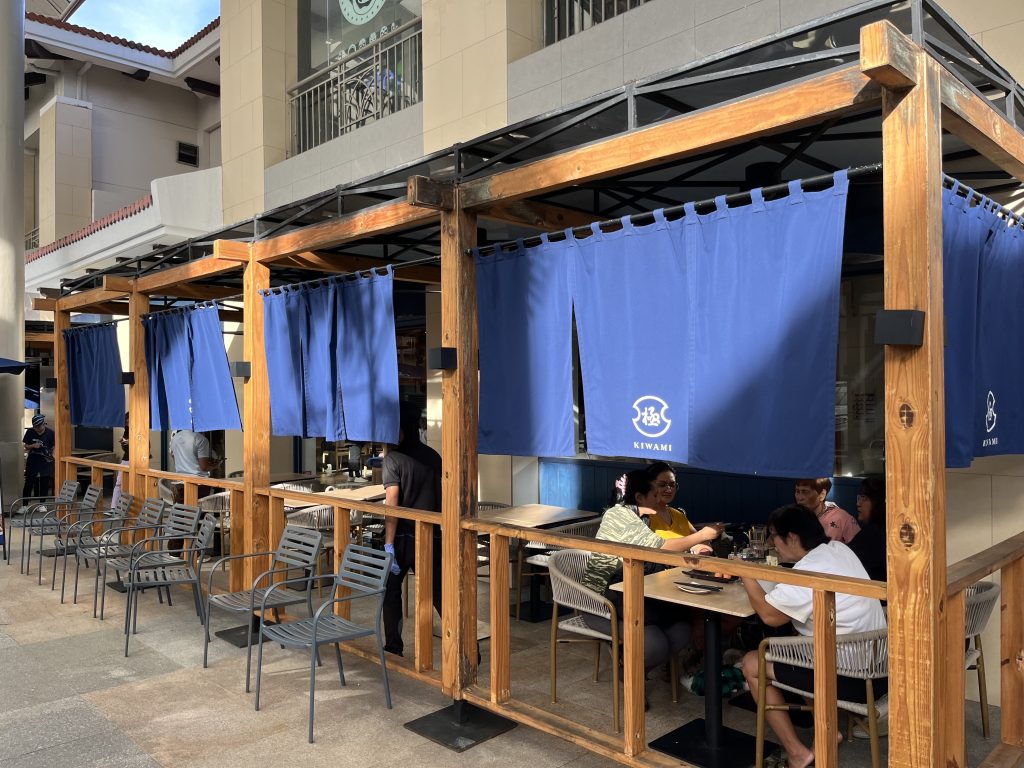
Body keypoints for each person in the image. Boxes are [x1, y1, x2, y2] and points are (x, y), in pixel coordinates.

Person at [739, 504, 887, 768]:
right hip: (878, 666)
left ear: (792, 537)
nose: (772, 543)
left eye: (774, 536)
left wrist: (745, 573)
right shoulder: (838, 549)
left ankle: (797, 754)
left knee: (752, 663)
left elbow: (770, 617)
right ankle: (827, 732)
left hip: (851, 678)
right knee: (805, 646)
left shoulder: (808, 571)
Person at [580, 469, 721, 679]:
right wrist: (703, 535)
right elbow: (662, 548)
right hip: (601, 603)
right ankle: (630, 679)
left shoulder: (643, 518)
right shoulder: (619, 515)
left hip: (632, 595)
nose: (661, 500)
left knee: (682, 630)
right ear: (639, 497)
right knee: (656, 642)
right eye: (655, 494)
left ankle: (633, 672)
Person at [381, 402, 443, 657]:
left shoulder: (393, 459)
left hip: (404, 538)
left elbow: (392, 504)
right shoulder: (433, 456)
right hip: (433, 536)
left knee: (391, 591)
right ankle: (468, 648)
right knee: (440, 594)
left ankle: (393, 646)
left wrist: (388, 544)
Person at [636, 462, 715, 553]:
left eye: (672, 485)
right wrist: (702, 535)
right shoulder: (640, 515)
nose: (669, 489)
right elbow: (658, 547)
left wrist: (701, 549)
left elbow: (702, 542)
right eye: (662, 484)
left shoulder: (679, 515)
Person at [793, 477, 859, 544]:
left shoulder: (842, 518)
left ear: (822, 494)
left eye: (805, 492)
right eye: (797, 491)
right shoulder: (794, 517)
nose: (799, 498)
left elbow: (859, 547)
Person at [848, 476, 887, 582]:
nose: (858, 504)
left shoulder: (872, 535)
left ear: (877, 502)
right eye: (859, 497)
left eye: (864, 498)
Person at [23, 414, 56, 498]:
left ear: (44, 424)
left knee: (45, 482)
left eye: (38, 427)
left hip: (46, 460)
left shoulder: (51, 433)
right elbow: (26, 446)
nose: (37, 429)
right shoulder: (30, 431)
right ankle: (25, 503)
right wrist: (33, 445)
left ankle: (42, 503)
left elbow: (55, 447)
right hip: (33, 459)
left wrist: (53, 455)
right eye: (35, 427)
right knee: (29, 481)